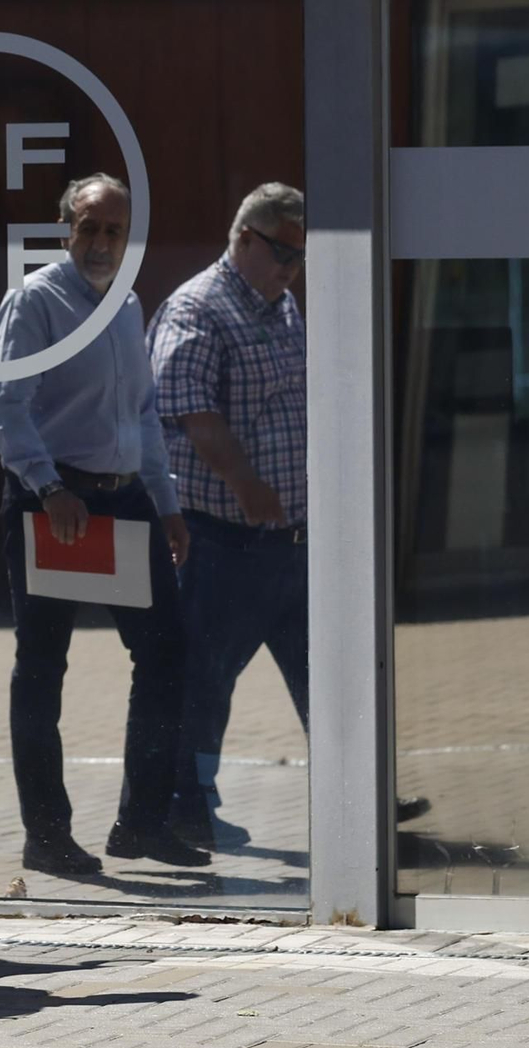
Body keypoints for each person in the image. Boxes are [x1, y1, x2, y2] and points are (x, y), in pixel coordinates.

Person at [148, 182, 429, 850]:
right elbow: (190, 411)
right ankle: (187, 807)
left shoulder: (283, 307)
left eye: (299, 257)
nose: (290, 268)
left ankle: (363, 800)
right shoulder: (198, 308)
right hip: (223, 539)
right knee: (205, 683)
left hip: (294, 541)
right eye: (281, 252)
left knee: (332, 674)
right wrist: (244, 479)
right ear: (243, 237)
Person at [0, 173, 209, 877]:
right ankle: (46, 835)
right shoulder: (35, 301)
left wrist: (166, 503)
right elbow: (8, 411)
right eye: (90, 226)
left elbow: (141, 414)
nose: (102, 241)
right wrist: (48, 486)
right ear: (64, 229)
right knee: (43, 667)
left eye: (115, 229)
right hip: (53, 503)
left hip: (121, 500)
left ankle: (141, 824)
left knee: (166, 651)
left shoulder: (125, 303)